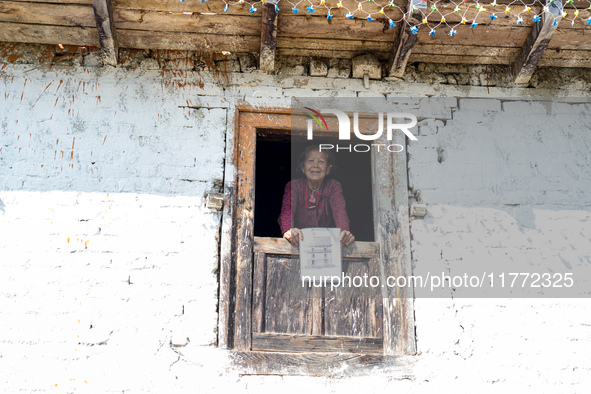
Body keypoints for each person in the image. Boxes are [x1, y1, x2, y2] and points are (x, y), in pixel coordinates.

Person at [278, 145, 355, 247]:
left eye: (321, 162)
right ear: (303, 168)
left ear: (328, 169)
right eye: (310, 161)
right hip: (299, 242)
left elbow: (340, 212)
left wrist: (344, 232)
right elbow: (287, 212)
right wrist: (289, 230)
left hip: (327, 244)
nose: (316, 165)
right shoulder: (294, 186)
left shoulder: (333, 186)